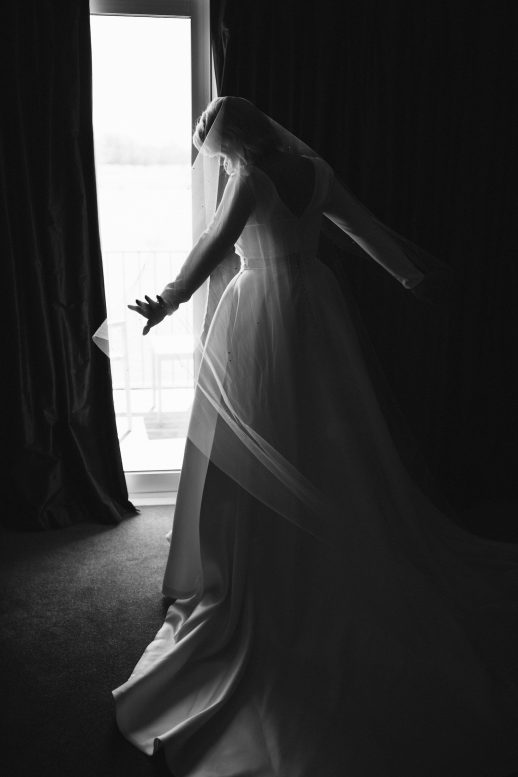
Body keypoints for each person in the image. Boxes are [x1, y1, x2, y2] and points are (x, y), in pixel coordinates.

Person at [116, 96, 518, 777]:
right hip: (315, 309)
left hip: (257, 309)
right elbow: (365, 230)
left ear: (228, 140)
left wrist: (169, 300)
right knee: (324, 435)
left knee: (258, 436)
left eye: (205, 141)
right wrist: (413, 276)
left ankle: (256, 561)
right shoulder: (315, 168)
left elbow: (213, 247)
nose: (205, 153)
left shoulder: (249, 178)